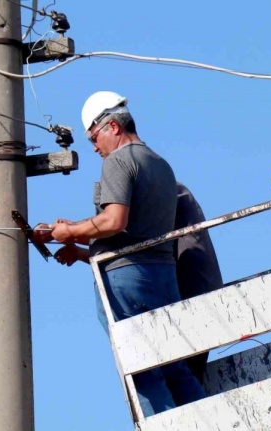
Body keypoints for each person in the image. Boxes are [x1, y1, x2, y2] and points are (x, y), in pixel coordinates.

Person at [34, 91, 206, 416]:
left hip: (128, 281)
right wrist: (83, 251)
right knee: (175, 367)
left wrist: (67, 232)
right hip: (163, 278)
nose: (95, 147)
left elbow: (114, 221)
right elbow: (137, 234)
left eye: (94, 137)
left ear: (112, 127)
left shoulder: (119, 161)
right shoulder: (161, 165)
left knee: (143, 369)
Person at [51, 182, 224, 386]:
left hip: (188, 293)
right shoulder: (157, 192)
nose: (95, 148)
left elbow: (118, 228)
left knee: (176, 377)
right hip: (182, 292)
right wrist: (77, 245)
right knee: (178, 377)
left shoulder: (159, 189)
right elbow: (129, 249)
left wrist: (70, 230)